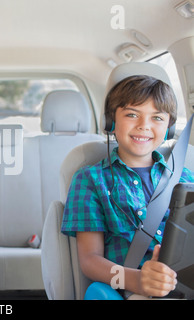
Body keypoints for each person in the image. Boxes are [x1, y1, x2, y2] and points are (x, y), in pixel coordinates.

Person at [61, 75, 194, 298]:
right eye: (132, 114)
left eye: (157, 118)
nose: (144, 126)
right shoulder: (90, 180)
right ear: (111, 122)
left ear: (169, 128)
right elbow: (89, 260)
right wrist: (136, 280)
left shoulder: (184, 177)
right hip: (134, 289)